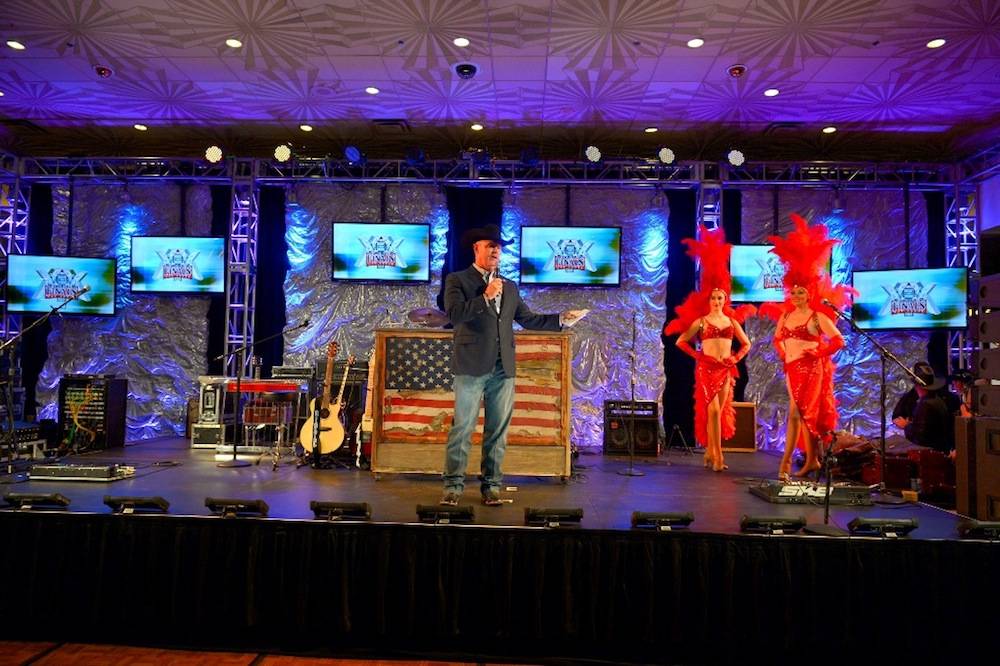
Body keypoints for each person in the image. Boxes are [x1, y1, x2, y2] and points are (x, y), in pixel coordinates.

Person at [440, 224, 586, 507]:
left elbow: (528, 319)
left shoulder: (509, 286)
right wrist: (485, 296)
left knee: (498, 431)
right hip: (471, 364)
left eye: (499, 246)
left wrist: (561, 320)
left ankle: (491, 487)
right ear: (476, 249)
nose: (496, 250)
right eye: (490, 245)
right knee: (463, 429)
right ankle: (453, 487)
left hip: (502, 367)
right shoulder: (457, 280)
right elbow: (455, 315)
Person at [762, 214, 853, 482]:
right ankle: (812, 459)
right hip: (792, 369)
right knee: (799, 415)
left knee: (799, 414)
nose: (797, 296)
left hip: (811, 369)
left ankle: (786, 462)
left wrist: (818, 353)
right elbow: (778, 338)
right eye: (794, 292)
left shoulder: (818, 317)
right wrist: (785, 351)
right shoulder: (787, 317)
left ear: (810, 293)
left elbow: (839, 340)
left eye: (802, 292)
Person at [665, 226, 754, 472]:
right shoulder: (701, 322)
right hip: (706, 368)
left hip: (725, 369)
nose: (717, 301)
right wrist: (698, 355)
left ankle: (711, 452)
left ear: (725, 300)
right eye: (713, 298)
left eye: (720, 298)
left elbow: (746, 343)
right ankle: (716, 455)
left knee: (720, 409)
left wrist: (735, 358)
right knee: (712, 410)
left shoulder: (732, 322)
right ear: (709, 300)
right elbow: (681, 340)